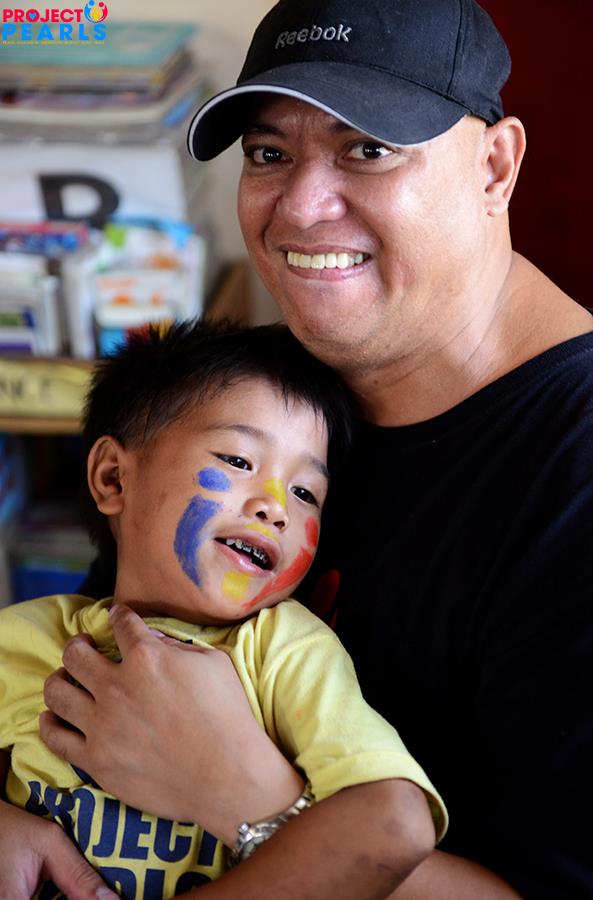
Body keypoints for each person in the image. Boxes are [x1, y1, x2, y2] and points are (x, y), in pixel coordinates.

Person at [5, 0, 593, 897]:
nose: (300, 208)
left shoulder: (578, 481)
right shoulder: (266, 397)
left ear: (495, 166)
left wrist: (253, 802)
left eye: (369, 147)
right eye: (268, 154)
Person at [0, 320, 447, 900]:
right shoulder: (31, 639)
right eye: (238, 460)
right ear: (113, 477)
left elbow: (396, 825)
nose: (276, 507)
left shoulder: (284, 652)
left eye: (306, 493)